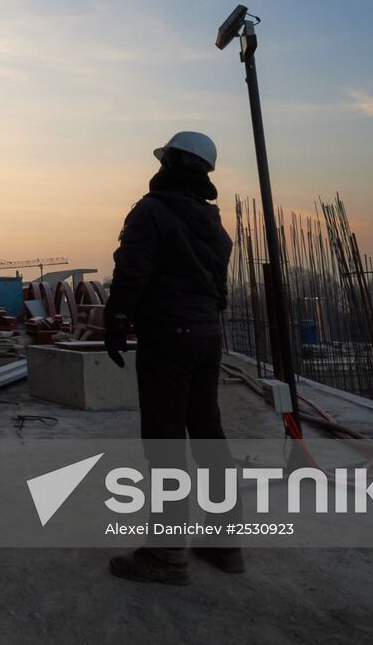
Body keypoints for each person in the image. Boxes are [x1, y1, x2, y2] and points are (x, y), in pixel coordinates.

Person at [103, 131, 244, 584]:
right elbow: (218, 287)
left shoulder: (152, 212)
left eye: (166, 161)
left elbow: (132, 270)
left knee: (165, 441)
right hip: (206, 335)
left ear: (174, 166)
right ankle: (225, 544)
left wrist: (117, 317)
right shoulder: (214, 223)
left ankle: (165, 555)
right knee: (208, 434)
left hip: (168, 335)